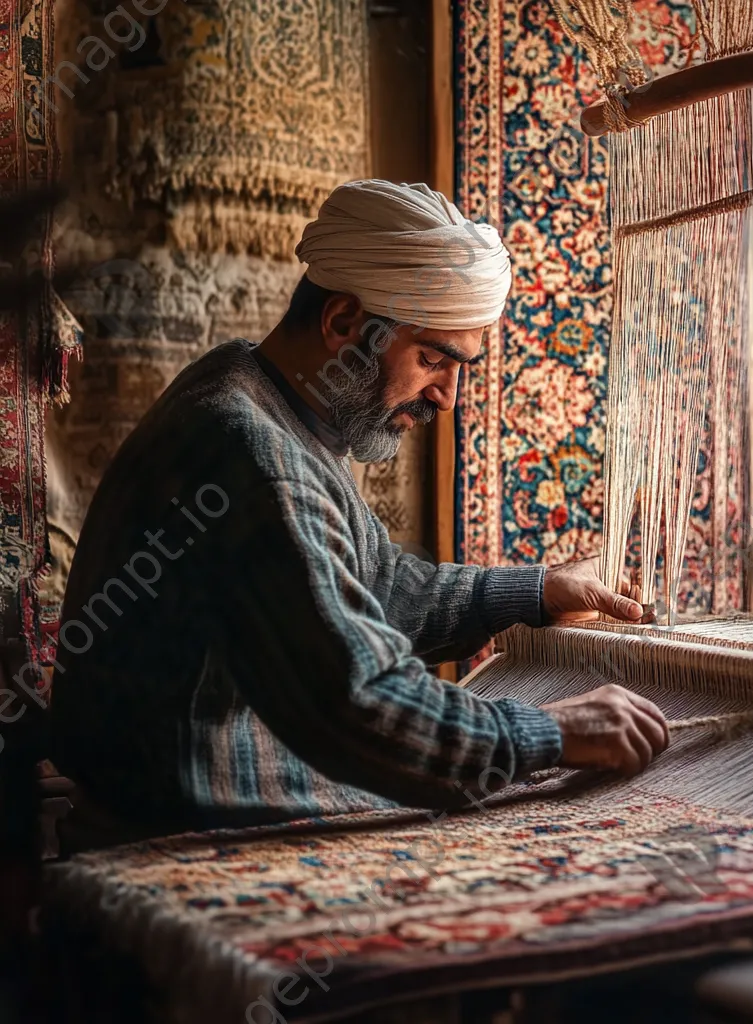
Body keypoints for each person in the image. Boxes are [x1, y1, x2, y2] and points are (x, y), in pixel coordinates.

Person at [50, 180, 669, 838]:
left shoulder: (254, 391)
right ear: (344, 322)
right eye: (433, 358)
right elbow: (358, 702)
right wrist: (552, 733)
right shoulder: (255, 457)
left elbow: (373, 583)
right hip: (177, 825)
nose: (447, 398)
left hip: (177, 795)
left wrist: (534, 592)